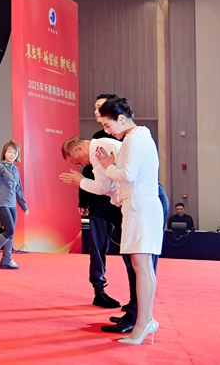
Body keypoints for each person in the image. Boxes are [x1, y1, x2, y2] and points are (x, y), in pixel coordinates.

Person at [96, 98, 163, 344]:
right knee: (143, 268)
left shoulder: (135, 138)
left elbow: (127, 174)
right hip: (139, 205)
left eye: (107, 125)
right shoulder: (137, 137)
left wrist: (107, 166)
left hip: (140, 206)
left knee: (142, 268)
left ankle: (143, 324)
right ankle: (146, 320)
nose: (107, 131)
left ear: (121, 119)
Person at [60, 136, 124, 306]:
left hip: (119, 203)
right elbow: (85, 176)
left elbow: (88, 180)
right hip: (98, 206)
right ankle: (99, 290)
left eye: (77, 161)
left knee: (127, 248)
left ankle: (136, 294)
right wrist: (83, 202)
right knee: (97, 248)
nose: (80, 164)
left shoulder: (101, 146)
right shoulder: (91, 152)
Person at [0, 141, 29, 270]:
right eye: (9, 151)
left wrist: (23, 205)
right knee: (10, 230)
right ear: (4, 152)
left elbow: (18, 189)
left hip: (12, 204)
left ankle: (6, 260)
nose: (12, 154)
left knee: (11, 233)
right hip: (1, 203)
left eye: (14, 152)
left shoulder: (16, 169)